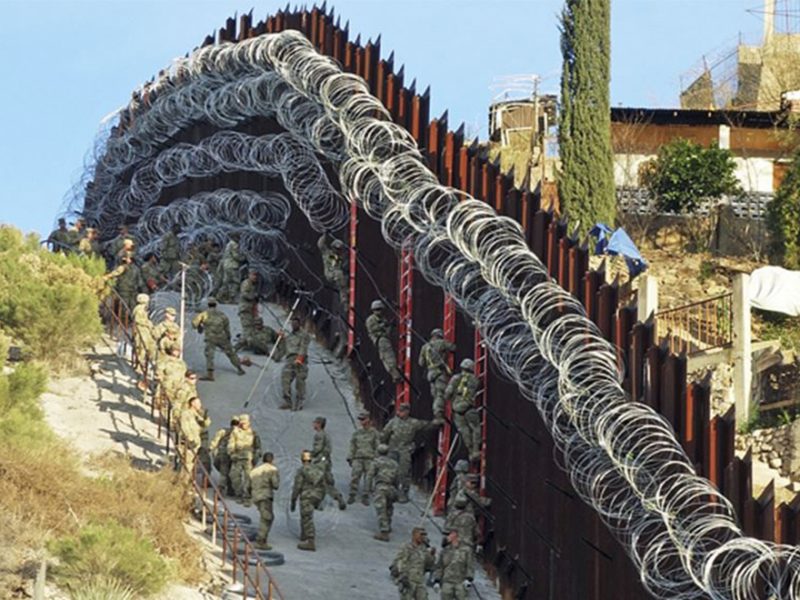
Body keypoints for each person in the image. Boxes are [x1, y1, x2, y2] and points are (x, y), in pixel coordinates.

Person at [381, 403, 441, 503]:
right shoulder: (393, 422)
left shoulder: (413, 423)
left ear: (407, 412)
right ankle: (390, 492)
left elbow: (426, 425)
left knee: (404, 473)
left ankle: (403, 493)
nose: (398, 413)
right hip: (392, 450)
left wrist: (436, 423)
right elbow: (384, 435)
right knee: (390, 471)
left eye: (401, 411)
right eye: (398, 411)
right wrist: (383, 447)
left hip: (405, 451)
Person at [191, 297, 245, 381]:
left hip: (210, 338)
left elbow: (194, 324)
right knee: (231, 353)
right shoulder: (222, 314)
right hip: (222, 337)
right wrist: (228, 337)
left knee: (209, 355)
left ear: (207, 305)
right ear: (216, 305)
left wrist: (200, 326)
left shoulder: (203, 314)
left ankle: (210, 374)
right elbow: (227, 328)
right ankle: (239, 368)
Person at [444, 358, 482, 462]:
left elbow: (448, 393)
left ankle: (470, 452)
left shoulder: (455, 378)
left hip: (457, 408)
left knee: (464, 430)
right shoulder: (475, 380)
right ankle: (476, 450)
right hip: (468, 407)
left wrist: (451, 399)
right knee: (475, 428)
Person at [291, 449, 327, 552]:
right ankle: (304, 535)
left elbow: (297, 486)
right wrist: (320, 499)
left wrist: (293, 500)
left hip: (306, 495)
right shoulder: (318, 470)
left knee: (306, 517)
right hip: (317, 496)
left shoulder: (302, 470)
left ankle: (310, 541)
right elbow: (324, 485)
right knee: (307, 515)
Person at [418, 328, 456, 419]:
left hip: (430, 373)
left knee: (435, 395)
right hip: (439, 372)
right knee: (440, 394)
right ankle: (438, 414)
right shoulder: (441, 343)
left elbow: (421, 363)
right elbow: (453, 348)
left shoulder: (425, 347)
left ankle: (436, 413)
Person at [311, 417, 347, 510]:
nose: (313, 424)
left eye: (315, 423)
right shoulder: (326, 435)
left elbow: (317, 449)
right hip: (326, 461)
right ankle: (338, 498)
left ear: (319, 424)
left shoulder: (319, 435)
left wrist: (310, 454)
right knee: (327, 482)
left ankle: (317, 502)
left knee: (319, 482)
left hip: (320, 461)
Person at [390, 527, 436, 600]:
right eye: (421, 534)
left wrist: (432, 556)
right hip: (408, 580)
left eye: (424, 535)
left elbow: (429, 566)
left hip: (419, 581)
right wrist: (402, 576)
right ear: (414, 535)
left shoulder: (424, 549)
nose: (423, 537)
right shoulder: (406, 547)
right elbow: (399, 562)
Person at [347, 411, 379, 505]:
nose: (361, 421)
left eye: (363, 419)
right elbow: (353, 445)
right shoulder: (357, 433)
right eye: (360, 419)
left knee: (368, 478)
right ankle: (352, 494)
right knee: (355, 476)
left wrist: (376, 459)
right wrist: (350, 456)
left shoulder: (374, 433)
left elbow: (377, 446)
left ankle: (365, 495)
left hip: (370, 458)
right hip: (358, 457)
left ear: (368, 419)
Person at [278, 316, 310, 410]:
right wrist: (280, 339)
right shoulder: (289, 336)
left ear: (299, 324)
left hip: (300, 359)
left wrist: (300, 358)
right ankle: (287, 401)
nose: (293, 325)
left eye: (296, 323)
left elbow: (303, 347)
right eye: (292, 323)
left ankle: (299, 401)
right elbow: (284, 348)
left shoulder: (304, 335)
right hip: (289, 359)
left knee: (300, 381)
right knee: (285, 378)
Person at [432, 529, 474, 600]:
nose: (447, 537)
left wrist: (469, 579)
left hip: (460, 582)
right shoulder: (445, 550)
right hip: (447, 582)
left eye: (449, 535)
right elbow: (440, 566)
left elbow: (470, 565)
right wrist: (437, 581)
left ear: (454, 535)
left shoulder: (466, 550)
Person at [365, 300, 401, 383]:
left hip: (384, 338)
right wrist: (386, 325)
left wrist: (390, 325)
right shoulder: (371, 319)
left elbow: (387, 330)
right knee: (389, 357)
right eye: (377, 309)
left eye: (380, 309)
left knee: (386, 358)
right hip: (381, 339)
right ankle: (396, 375)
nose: (379, 311)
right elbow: (374, 329)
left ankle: (395, 375)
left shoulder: (382, 319)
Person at [250, 452, 280, 550]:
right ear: (272, 460)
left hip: (255, 496)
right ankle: (261, 540)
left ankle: (262, 537)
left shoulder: (254, 470)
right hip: (265, 496)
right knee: (267, 518)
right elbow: (276, 485)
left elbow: (247, 485)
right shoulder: (272, 469)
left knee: (265, 516)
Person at [370, 443, 398, 542]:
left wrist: (369, 489)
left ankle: (384, 532)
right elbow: (398, 478)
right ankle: (389, 525)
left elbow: (370, 476)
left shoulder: (376, 462)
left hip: (381, 487)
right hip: (391, 487)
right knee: (389, 507)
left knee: (381, 509)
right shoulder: (394, 463)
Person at [228, 414, 260, 502]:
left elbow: (258, 447)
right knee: (234, 476)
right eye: (241, 423)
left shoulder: (253, 433)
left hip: (248, 459)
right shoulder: (235, 432)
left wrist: (256, 457)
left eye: (245, 423)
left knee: (248, 478)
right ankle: (239, 493)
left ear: (249, 423)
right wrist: (231, 454)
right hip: (237, 458)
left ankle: (247, 495)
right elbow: (231, 444)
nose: (243, 425)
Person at [210, 416, 239, 495]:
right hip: (227, 456)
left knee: (227, 473)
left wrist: (211, 448)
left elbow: (214, 442)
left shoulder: (224, 432)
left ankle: (227, 489)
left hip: (229, 456)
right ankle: (223, 490)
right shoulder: (225, 432)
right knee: (226, 472)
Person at [317, 233, 348, 306]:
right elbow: (320, 244)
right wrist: (325, 235)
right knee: (339, 274)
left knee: (342, 277)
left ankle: (344, 299)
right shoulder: (327, 253)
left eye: (339, 249)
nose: (338, 251)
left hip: (337, 276)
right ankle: (344, 297)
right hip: (330, 274)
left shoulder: (340, 257)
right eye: (337, 249)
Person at [131, 293, 155, 384]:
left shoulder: (141, 308)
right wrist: (148, 323)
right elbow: (138, 320)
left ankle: (142, 364)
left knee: (144, 347)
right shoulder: (140, 309)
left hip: (143, 330)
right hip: (141, 331)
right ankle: (140, 366)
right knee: (141, 347)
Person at [238, 270, 260, 340]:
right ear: (249, 275)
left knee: (251, 325)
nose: (255, 277)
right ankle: (243, 342)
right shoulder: (246, 283)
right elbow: (244, 294)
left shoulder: (253, 284)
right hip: (245, 309)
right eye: (253, 275)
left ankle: (247, 340)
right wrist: (253, 296)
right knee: (247, 326)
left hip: (250, 308)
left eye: (256, 275)